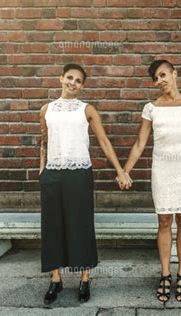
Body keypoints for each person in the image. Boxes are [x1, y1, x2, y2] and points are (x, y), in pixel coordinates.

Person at [121, 60, 181, 302]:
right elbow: (140, 143)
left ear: (175, 74)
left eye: (163, 74)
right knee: (164, 221)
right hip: (162, 169)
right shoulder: (151, 108)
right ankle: (165, 274)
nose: (159, 80)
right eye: (155, 78)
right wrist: (125, 171)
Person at [39, 63, 132, 304]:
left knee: (80, 225)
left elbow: (103, 141)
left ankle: (84, 278)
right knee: (52, 226)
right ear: (61, 78)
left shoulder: (87, 110)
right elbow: (43, 142)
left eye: (78, 80)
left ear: (82, 85)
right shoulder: (46, 109)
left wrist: (121, 171)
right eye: (69, 77)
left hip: (79, 173)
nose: (73, 83)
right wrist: (42, 171)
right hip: (52, 175)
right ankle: (56, 279)